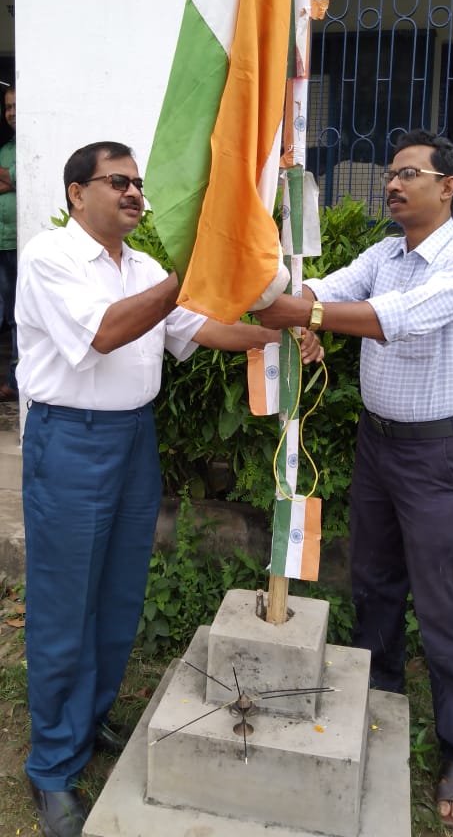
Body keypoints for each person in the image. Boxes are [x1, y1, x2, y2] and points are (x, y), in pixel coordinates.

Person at [15, 139, 322, 837]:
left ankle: (89, 720)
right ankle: (53, 765)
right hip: (71, 442)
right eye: (116, 181)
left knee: (119, 594)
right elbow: (104, 334)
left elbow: (198, 326)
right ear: (76, 194)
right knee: (66, 604)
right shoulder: (50, 258)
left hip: (132, 439)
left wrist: (273, 337)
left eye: (136, 182)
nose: (133, 192)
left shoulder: (143, 266)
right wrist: (187, 277)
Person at [256, 128, 453, 830]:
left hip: (435, 456)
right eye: (390, 173)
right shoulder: (384, 255)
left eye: (408, 173)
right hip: (377, 447)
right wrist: (299, 306)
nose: (391, 183)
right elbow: (326, 290)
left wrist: (306, 314)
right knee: (373, 581)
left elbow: (397, 320)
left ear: (446, 186)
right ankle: (378, 696)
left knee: (443, 603)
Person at [0, 85, 18, 401]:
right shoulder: (5, 149)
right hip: (2, 242)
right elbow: (11, 179)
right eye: (7, 107)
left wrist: (11, 179)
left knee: (19, 315)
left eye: (16, 105)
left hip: (21, 241)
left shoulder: (33, 143)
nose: (11, 113)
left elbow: (20, 177)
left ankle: (15, 383)